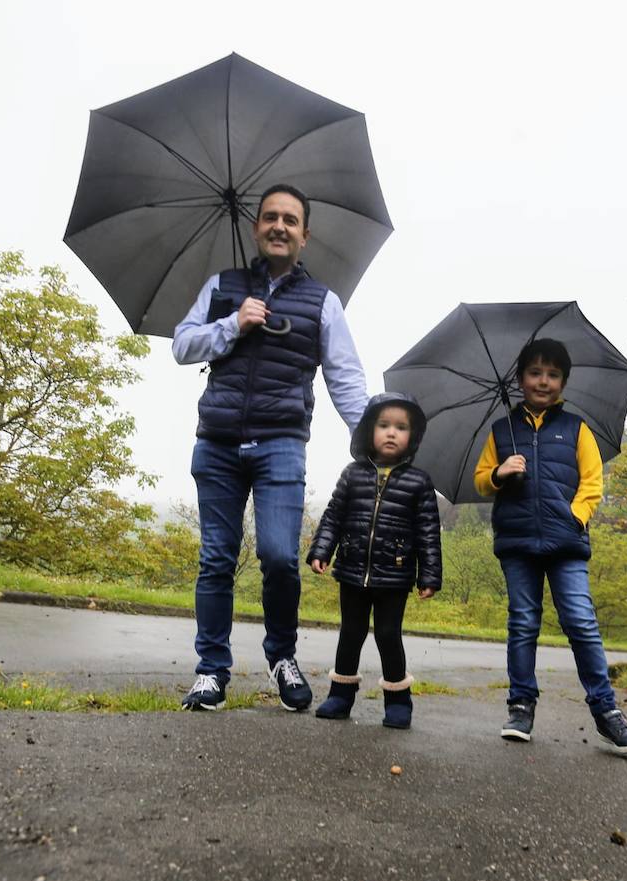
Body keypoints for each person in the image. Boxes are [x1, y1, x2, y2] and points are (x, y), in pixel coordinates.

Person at [171, 184, 368, 712]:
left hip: (281, 442)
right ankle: (211, 670)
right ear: (256, 227)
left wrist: (370, 442)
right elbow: (181, 346)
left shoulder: (323, 302)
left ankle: (282, 656)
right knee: (216, 559)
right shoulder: (222, 286)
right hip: (216, 443)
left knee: (280, 557)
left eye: (291, 220)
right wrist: (232, 323)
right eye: (270, 218)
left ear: (305, 235)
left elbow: (345, 378)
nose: (279, 226)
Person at [473, 338, 627, 754]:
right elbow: (481, 480)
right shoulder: (502, 431)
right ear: (520, 379)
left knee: (581, 623)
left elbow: (592, 482)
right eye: (535, 373)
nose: (543, 381)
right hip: (517, 543)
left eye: (552, 374)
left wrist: (575, 517)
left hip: (566, 542)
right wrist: (500, 472)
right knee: (523, 623)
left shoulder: (577, 429)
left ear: (563, 382)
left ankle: (606, 712)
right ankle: (521, 706)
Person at [305, 393, 442, 728]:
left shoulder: (419, 482)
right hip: (352, 570)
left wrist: (429, 575)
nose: (391, 433)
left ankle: (398, 700)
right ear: (369, 431)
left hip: (394, 575)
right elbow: (334, 516)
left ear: (413, 437)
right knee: (350, 632)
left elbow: (428, 532)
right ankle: (340, 694)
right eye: (384, 425)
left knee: (387, 633)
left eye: (401, 427)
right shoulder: (352, 474)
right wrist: (322, 549)